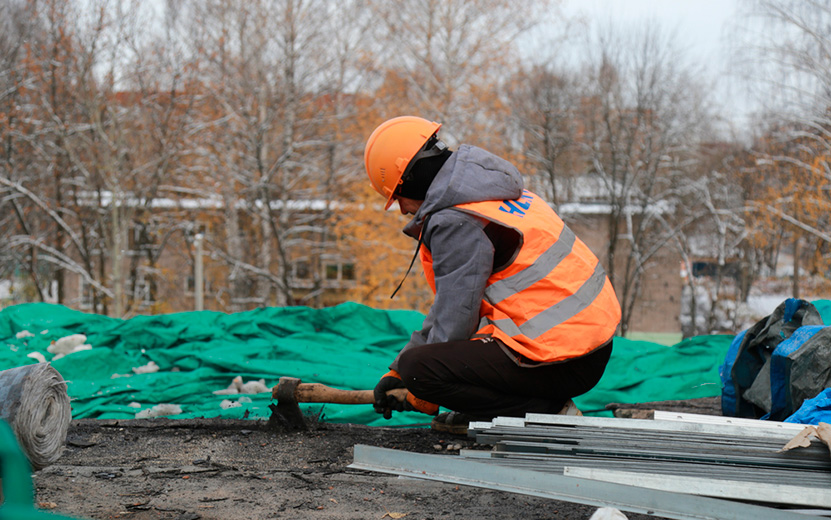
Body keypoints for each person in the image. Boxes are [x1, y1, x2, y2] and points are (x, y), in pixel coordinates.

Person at [364, 115, 621, 433]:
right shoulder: (491, 193)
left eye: (397, 197)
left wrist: (413, 380)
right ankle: (500, 411)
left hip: (561, 359)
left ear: (412, 178)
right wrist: (396, 371)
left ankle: (547, 413)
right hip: (586, 346)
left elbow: (455, 318)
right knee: (419, 363)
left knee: (422, 370)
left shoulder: (456, 221)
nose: (402, 210)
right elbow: (456, 308)